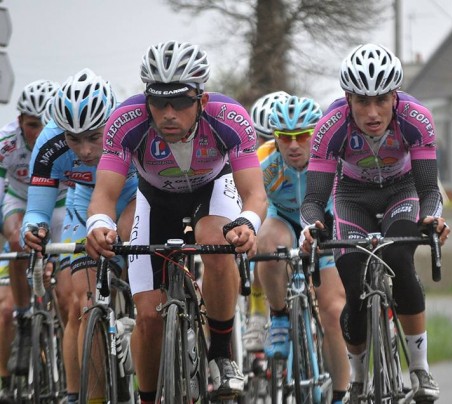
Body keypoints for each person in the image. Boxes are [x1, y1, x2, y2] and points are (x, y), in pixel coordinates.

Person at [85, 40, 267, 403]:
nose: (168, 113)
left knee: (216, 240)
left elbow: (255, 195)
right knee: (149, 317)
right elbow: (104, 195)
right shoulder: (126, 122)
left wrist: (248, 222)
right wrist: (98, 224)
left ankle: (221, 353)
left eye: (180, 102)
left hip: (213, 189)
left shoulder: (228, 118)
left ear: (201, 100)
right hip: (155, 200)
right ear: (146, 98)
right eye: (158, 101)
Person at [299, 43, 450, 404]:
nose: (371, 112)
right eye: (361, 102)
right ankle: (357, 376)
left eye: (381, 100)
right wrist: (312, 226)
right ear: (347, 98)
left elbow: (429, 188)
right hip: (352, 197)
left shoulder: (416, 118)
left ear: (395, 96)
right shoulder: (330, 126)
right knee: (352, 283)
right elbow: (314, 200)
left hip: (403, 191)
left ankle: (419, 368)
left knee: (398, 260)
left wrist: (432, 218)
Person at [21, 68, 137, 404]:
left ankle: (135, 315)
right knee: (82, 304)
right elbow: (37, 210)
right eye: (74, 139)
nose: (85, 150)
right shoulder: (49, 144)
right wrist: (34, 230)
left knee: (131, 241)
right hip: (84, 201)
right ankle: (82, 397)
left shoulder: (130, 130)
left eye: (94, 137)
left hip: (133, 196)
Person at [256, 95, 350, 403]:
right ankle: (280, 315)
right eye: (285, 137)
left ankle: (340, 393)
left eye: (302, 136)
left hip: (324, 226)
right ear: (276, 138)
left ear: (316, 134)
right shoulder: (264, 162)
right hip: (282, 221)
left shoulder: (331, 159)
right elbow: (248, 203)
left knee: (334, 312)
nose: (293, 145)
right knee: (267, 244)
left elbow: (342, 206)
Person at [0, 79, 60, 393]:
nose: (38, 132)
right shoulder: (6, 141)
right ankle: (24, 318)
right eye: (32, 124)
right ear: (20, 120)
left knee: (63, 250)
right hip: (20, 198)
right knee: (16, 240)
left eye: (45, 124)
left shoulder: (66, 136)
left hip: (59, 197)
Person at [242, 90, 291, 353]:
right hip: (267, 208)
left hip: (291, 209)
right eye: (262, 139)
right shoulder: (256, 158)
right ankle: (258, 313)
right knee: (261, 239)